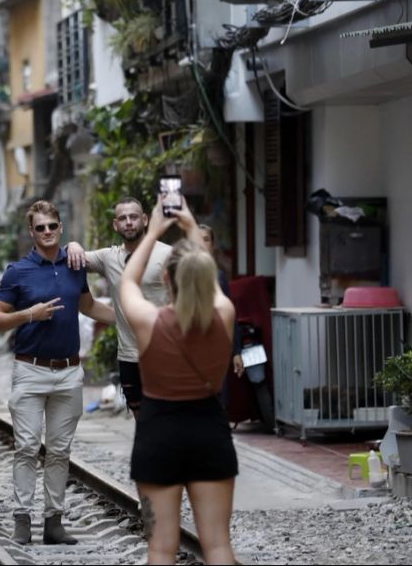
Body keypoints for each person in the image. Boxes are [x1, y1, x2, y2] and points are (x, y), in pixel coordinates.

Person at [0, 200, 115, 546]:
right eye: (39, 227)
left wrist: (129, 317)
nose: (46, 232)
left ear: (61, 228)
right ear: (31, 231)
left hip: (69, 372)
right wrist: (28, 315)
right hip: (30, 369)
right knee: (27, 446)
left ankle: (54, 522)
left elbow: (86, 305)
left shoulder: (74, 265)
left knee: (59, 450)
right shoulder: (18, 271)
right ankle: (22, 520)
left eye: (51, 226)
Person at [120, 197, 238, 565]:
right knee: (218, 546)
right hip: (209, 431)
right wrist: (189, 225)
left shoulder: (149, 322)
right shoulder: (224, 314)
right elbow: (207, 276)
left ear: (166, 279)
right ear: (206, 279)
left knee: (160, 548)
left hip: (158, 434)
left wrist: (153, 229)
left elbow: (127, 281)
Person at [65, 197, 171, 418]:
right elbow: (72, 257)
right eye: (123, 218)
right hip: (129, 356)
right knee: (141, 419)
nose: (129, 222)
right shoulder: (108, 257)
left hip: (164, 352)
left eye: (133, 217)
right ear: (115, 225)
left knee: (167, 417)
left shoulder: (168, 254)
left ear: (145, 220)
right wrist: (73, 245)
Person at [198, 224, 244, 379]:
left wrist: (236, 352)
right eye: (197, 239)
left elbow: (230, 317)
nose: (201, 244)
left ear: (212, 245)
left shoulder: (219, 277)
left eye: (206, 240)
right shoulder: (182, 276)